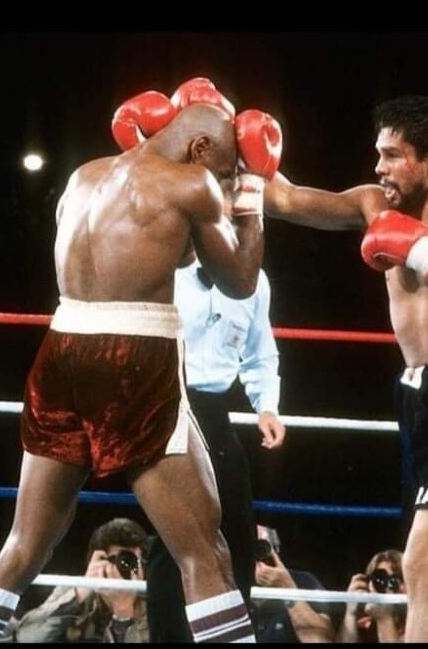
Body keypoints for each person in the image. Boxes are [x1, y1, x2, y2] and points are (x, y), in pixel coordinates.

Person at [0, 78, 282, 644]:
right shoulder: (192, 183)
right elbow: (241, 281)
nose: (225, 181)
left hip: (62, 348)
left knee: (25, 545)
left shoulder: (84, 177)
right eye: (226, 167)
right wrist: (251, 193)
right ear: (201, 149)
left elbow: (146, 249)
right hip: (135, 357)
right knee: (205, 552)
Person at [265, 95, 428, 642]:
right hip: (418, 399)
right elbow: (285, 199)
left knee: (421, 568)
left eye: (392, 156)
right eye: (378, 155)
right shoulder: (374, 207)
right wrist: (239, 148)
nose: (379, 168)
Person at [146, 202, 286, 642]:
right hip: (166, 407)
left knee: (238, 534)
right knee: (176, 536)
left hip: (215, 413)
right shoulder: (164, 273)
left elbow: (261, 351)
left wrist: (267, 406)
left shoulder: (252, 283)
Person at [15, 518, 150, 643]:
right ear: (99, 560)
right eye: (119, 560)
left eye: (131, 561)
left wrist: (124, 611)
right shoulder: (71, 590)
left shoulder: (154, 602)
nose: (124, 567)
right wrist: (80, 593)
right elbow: (26, 637)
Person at [249, 525, 336, 643]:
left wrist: (287, 587)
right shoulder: (232, 583)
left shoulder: (303, 581)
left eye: (262, 547)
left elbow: (320, 640)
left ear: (276, 551)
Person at [336, 549, 406, 643]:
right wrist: (350, 614)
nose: (390, 586)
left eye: (397, 578)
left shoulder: (420, 622)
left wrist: (384, 619)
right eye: (382, 579)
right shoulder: (366, 625)